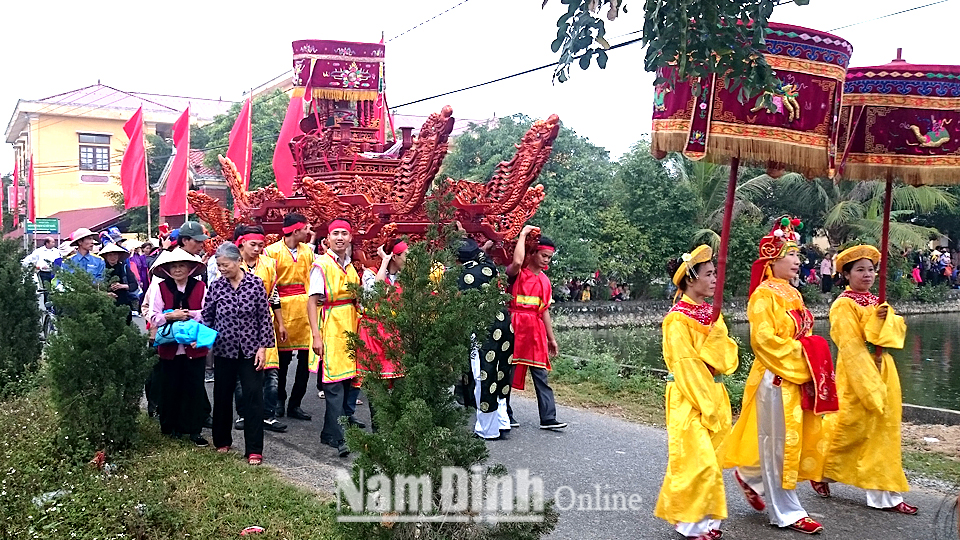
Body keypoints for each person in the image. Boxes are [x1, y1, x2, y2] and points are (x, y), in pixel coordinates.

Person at [724, 217, 837, 535]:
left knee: (787, 440)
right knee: (779, 443)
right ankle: (786, 511)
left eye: (798, 255)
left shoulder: (793, 294)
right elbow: (764, 341)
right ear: (772, 260)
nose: (798, 260)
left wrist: (810, 357)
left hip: (797, 374)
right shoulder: (763, 296)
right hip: (777, 375)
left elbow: (804, 333)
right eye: (791, 255)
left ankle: (751, 475)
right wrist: (804, 357)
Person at [812, 245, 917, 514]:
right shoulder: (843, 305)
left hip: (884, 367)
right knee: (850, 426)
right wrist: (868, 383)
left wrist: (885, 319)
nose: (867, 275)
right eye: (860, 270)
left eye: (870, 269)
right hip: (857, 370)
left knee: (883, 429)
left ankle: (885, 493)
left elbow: (895, 332)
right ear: (846, 275)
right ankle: (822, 469)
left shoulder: (876, 301)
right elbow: (849, 344)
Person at [654, 245, 738, 540]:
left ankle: (704, 520)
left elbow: (728, 358)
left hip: (713, 392)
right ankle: (691, 525)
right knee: (697, 461)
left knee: (712, 459)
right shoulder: (677, 319)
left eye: (715, 273)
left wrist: (717, 335)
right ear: (691, 279)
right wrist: (705, 404)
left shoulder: (712, 314)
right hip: (689, 396)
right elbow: (686, 364)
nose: (715, 279)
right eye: (709, 274)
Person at [203, 243, 275, 466]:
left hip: (250, 349)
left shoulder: (255, 284)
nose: (222, 269)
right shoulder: (216, 286)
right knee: (222, 395)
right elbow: (207, 316)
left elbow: (264, 317)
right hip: (224, 349)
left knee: (253, 397)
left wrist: (263, 348)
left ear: (238, 261)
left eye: (225, 265)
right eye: (219, 265)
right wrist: (202, 341)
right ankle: (222, 441)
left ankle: (254, 449)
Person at [144, 249, 209, 447]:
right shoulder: (160, 287)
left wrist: (191, 315)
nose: (178, 270)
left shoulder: (201, 287)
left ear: (190, 269)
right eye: (174, 266)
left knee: (194, 388)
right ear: (168, 270)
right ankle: (171, 427)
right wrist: (170, 316)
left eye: (182, 266)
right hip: (169, 347)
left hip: (194, 345)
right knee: (170, 387)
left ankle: (194, 430)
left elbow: (208, 313)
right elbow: (152, 314)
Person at [307, 218, 360, 457]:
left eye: (344, 233)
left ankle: (329, 432)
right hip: (330, 326)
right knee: (334, 383)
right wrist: (316, 336)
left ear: (350, 237)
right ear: (327, 238)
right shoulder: (321, 265)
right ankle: (339, 436)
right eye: (335, 233)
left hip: (350, 324)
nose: (340, 238)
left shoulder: (350, 266)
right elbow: (311, 302)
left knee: (347, 380)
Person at [505, 225, 565, 430]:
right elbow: (517, 261)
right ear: (533, 253)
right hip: (515, 326)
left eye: (549, 257)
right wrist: (522, 234)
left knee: (541, 374)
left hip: (535, 331)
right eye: (543, 255)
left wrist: (551, 338)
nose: (547, 260)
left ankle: (548, 417)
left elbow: (544, 310)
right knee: (508, 372)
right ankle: (505, 413)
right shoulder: (517, 274)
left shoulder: (545, 281)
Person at [457, 237, 514, 441]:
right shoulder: (489, 267)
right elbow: (481, 255)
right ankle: (503, 421)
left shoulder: (460, 276)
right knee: (501, 373)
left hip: (483, 328)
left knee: (483, 376)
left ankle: (487, 429)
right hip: (505, 323)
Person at [231, 225, 287, 434]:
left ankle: (268, 415)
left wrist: (281, 323)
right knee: (242, 372)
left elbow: (274, 295)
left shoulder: (269, 264)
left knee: (271, 371)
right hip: (241, 324)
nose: (256, 249)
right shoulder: (233, 264)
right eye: (253, 244)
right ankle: (244, 414)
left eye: (260, 245)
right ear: (243, 243)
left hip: (265, 321)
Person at [264, 213, 316, 421]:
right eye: (305, 229)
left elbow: (312, 277)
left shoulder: (308, 251)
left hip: (304, 309)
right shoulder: (271, 251)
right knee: (283, 360)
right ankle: (279, 400)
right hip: (282, 309)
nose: (308, 232)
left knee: (305, 361)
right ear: (295, 231)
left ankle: (296, 404)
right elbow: (270, 282)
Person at [100, 243, 139, 325]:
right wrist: (106, 293)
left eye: (115, 255)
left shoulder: (124, 268)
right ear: (106, 256)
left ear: (119, 256)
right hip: (106, 303)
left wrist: (122, 286)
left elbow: (134, 285)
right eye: (110, 255)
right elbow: (96, 285)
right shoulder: (101, 269)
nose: (113, 257)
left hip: (123, 302)